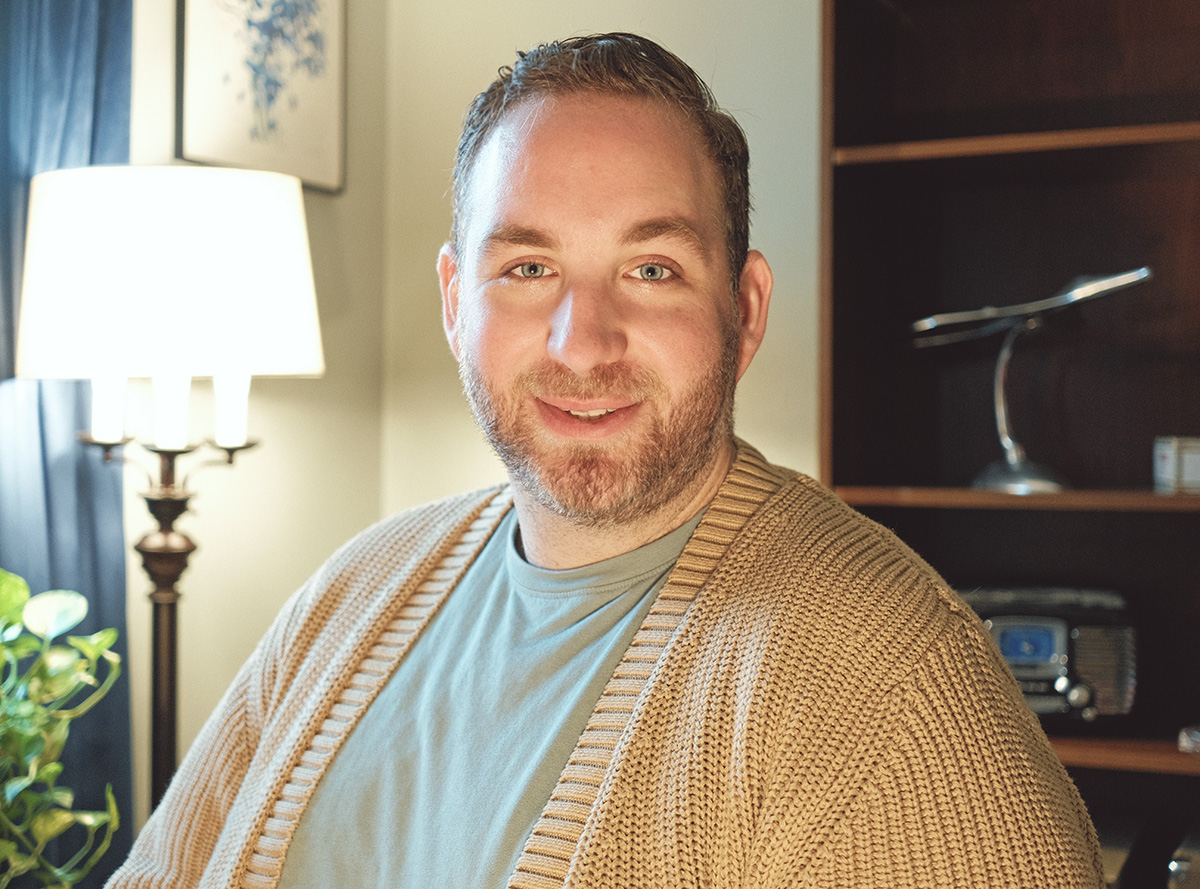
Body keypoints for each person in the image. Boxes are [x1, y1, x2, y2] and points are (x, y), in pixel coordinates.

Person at [106, 32, 1105, 889]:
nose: (584, 343)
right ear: (458, 303)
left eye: (652, 269)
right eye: (530, 267)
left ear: (744, 309)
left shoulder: (896, 692)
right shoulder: (349, 596)